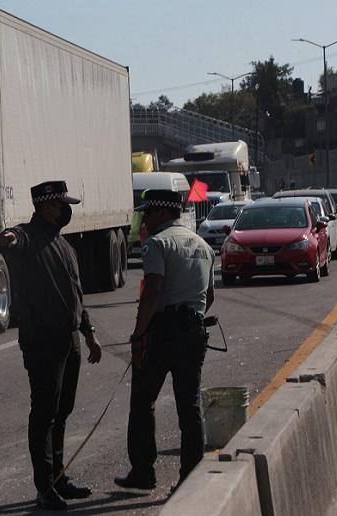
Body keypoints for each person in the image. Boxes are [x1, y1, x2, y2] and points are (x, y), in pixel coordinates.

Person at [0, 180, 102, 511]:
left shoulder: (63, 244)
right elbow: (15, 237)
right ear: (45, 206)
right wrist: (9, 238)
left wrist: (89, 332)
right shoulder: (30, 237)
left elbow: (76, 294)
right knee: (44, 414)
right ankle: (44, 487)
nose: (66, 210)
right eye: (61, 205)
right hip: (43, 341)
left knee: (62, 412)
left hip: (70, 338)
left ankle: (59, 477)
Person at [114, 188, 215, 494]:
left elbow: (153, 291)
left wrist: (139, 332)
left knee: (143, 402)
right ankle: (190, 478)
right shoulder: (203, 245)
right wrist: (189, 316)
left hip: (163, 332)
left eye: (147, 212)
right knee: (189, 406)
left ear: (161, 213)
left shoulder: (157, 244)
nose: (143, 219)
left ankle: (143, 472)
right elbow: (209, 297)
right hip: (194, 330)